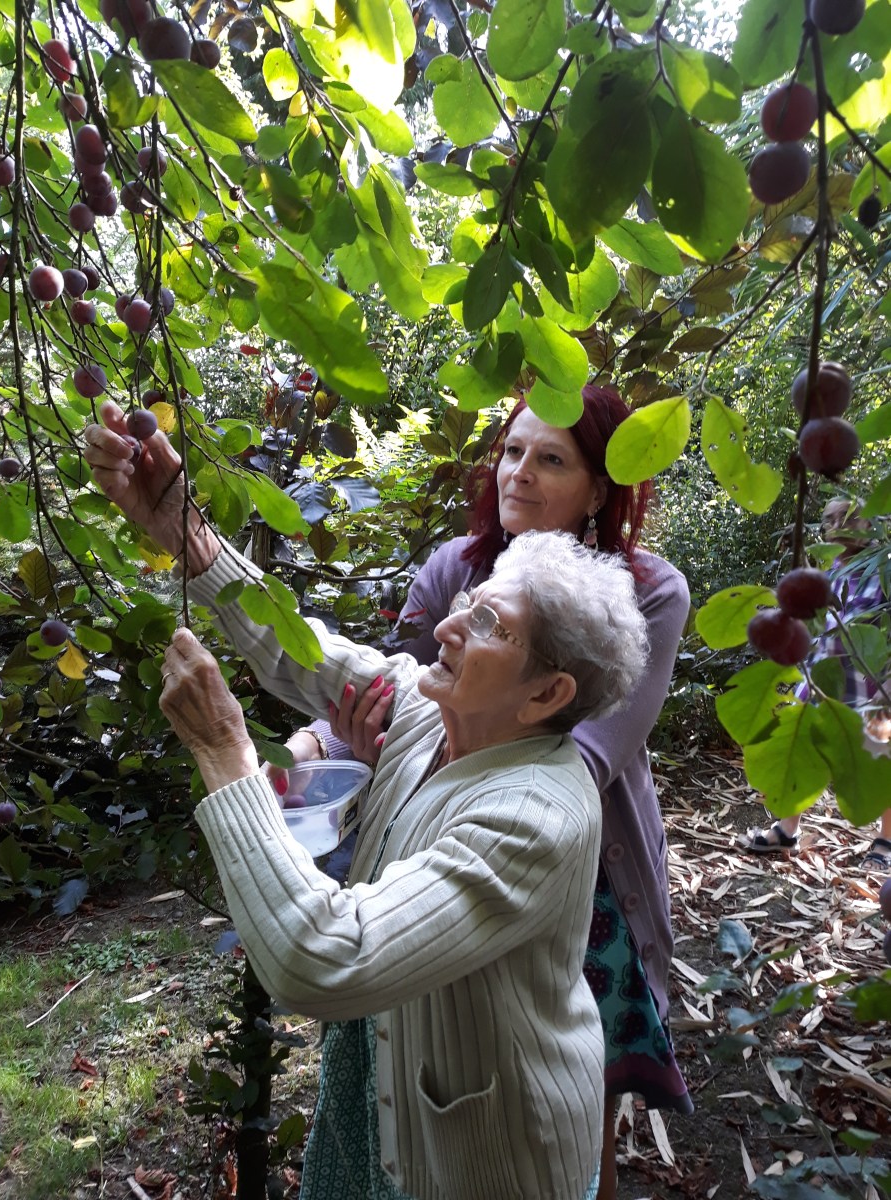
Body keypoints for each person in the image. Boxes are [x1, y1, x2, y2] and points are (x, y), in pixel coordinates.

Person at [84, 399, 651, 1200]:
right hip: (384, 1082)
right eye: (470, 602)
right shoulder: (428, 708)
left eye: (488, 623)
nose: (450, 626)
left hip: (488, 1157)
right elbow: (297, 647)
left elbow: (322, 957)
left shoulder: (537, 815)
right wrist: (184, 530)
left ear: (545, 694)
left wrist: (225, 753)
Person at [280, 386, 694, 1199]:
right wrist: (312, 746)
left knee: (570, 1077)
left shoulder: (647, 590)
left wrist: (428, 731)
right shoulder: (456, 569)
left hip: (576, 868)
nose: (520, 473)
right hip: (434, 844)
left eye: (551, 459)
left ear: (599, 489)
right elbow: (390, 694)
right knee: (430, 1052)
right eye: (512, 450)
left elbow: (586, 753)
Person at [740, 496, 891, 870]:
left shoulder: (882, 571)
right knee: (802, 754)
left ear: (867, 525)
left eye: (846, 519)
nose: (836, 526)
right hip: (824, 685)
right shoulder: (830, 574)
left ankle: (886, 840)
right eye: (830, 519)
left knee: (882, 761)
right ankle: (787, 829)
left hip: (873, 688)